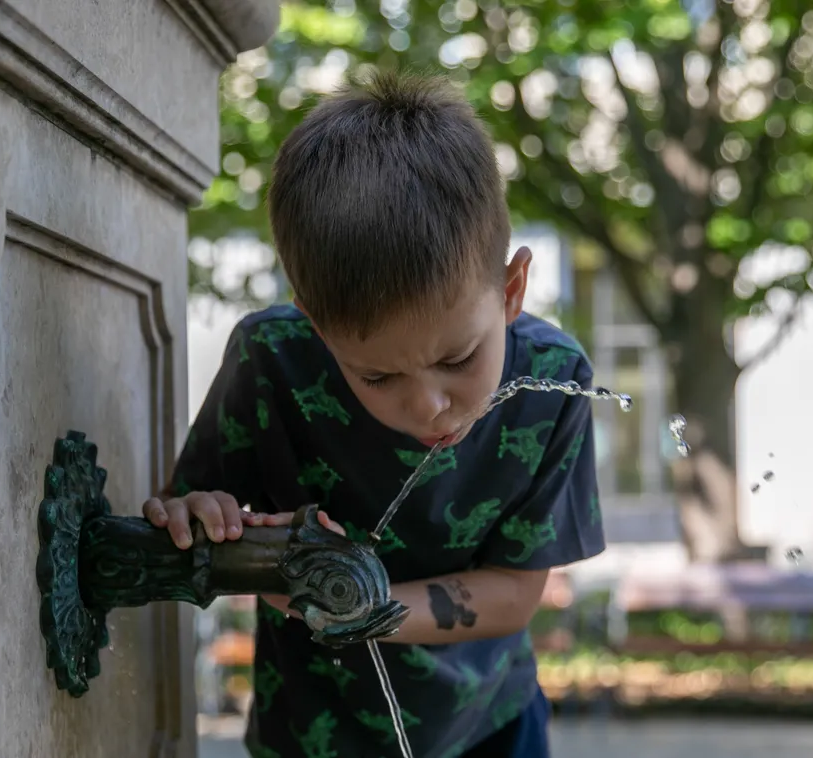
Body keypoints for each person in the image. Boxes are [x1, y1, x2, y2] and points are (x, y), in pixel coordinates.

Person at [142, 69, 603, 758]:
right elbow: (197, 521)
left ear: (510, 291)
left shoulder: (550, 381)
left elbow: (512, 592)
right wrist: (202, 521)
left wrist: (365, 609)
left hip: (489, 730)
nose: (428, 404)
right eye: (377, 374)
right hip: (306, 734)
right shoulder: (272, 361)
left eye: (457, 359)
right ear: (317, 329)